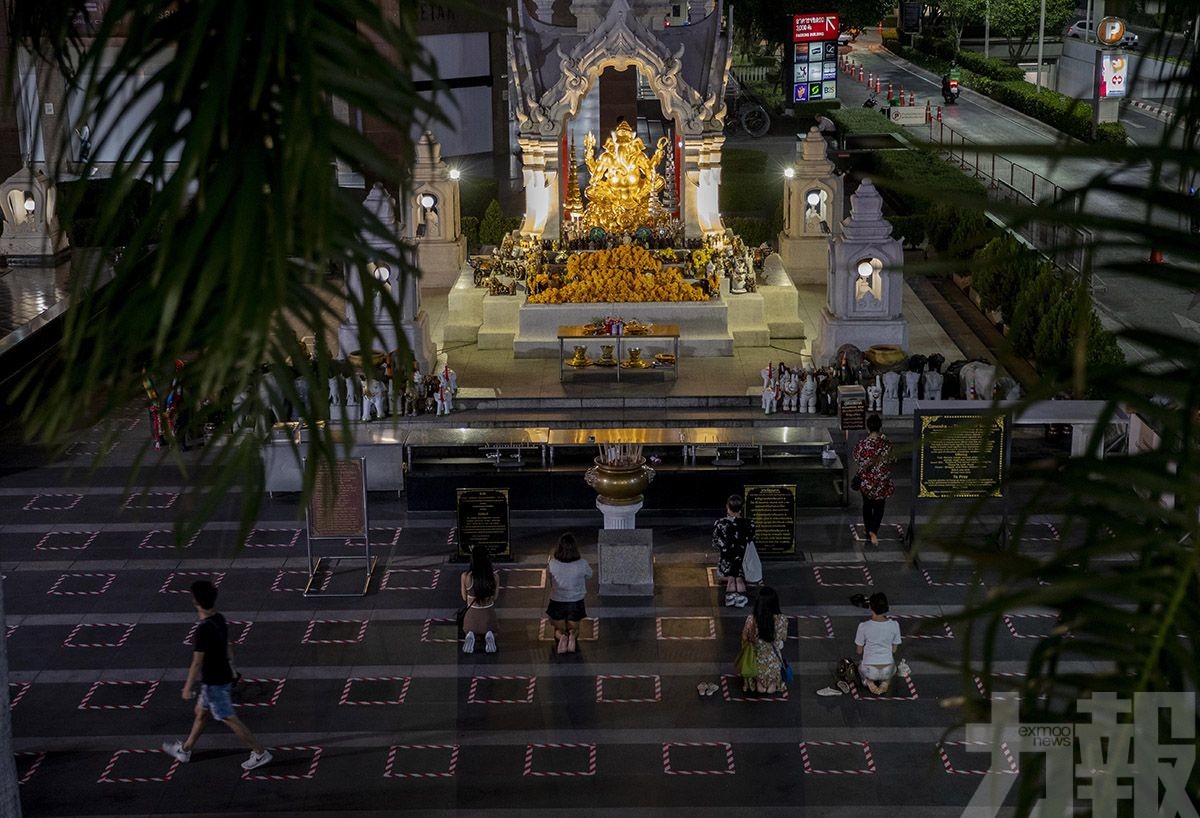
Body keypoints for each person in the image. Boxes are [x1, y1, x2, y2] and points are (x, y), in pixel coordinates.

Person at [162, 580, 272, 770]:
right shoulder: (219, 619)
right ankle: (185, 750)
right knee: (201, 713)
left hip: (214, 683)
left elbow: (197, 662)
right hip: (221, 677)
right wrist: (233, 669)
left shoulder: (202, 630)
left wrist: (187, 687)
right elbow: (228, 646)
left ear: (196, 601)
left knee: (229, 718)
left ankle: (260, 752)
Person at [546, 532, 592, 654]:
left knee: (558, 628)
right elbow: (589, 575)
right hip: (576, 602)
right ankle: (572, 636)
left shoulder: (552, 564)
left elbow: (549, 579)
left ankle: (562, 637)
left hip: (557, 602)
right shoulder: (582, 564)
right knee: (574, 629)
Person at [853, 414, 895, 546]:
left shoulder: (862, 445)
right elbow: (893, 459)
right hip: (881, 482)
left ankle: (867, 529)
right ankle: (873, 530)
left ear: (867, 428)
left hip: (866, 482)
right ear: (880, 427)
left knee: (867, 505)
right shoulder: (886, 444)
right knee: (879, 507)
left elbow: (856, 458)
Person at [740, 586, 788, 694]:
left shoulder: (751, 619)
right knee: (775, 659)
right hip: (774, 660)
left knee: (757, 669)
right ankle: (772, 682)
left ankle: (758, 682)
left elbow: (744, 637)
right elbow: (781, 641)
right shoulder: (782, 619)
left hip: (755, 660)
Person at [855, 592, 902, 695]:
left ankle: (869, 682)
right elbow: (894, 650)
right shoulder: (894, 625)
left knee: (859, 666)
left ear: (871, 607)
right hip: (888, 669)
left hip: (869, 670)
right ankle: (885, 683)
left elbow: (859, 651)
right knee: (893, 666)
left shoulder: (863, 626)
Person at [712, 494, 755, 608]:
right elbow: (751, 539)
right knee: (739, 579)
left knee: (731, 578)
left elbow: (715, 542)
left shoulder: (720, 524)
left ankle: (730, 598)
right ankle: (741, 598)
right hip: (742, 558)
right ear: (741, 508)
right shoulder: (749, 524)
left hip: (727, 559)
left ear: (727, 506)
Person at [460, 545, 499, 654]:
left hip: (471, 620)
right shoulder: (494, 577)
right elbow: (495, 598)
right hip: (489, 619)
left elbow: (464, 598)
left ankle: (470, 634)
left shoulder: (466, 576)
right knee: (492, 628)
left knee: (468, 627)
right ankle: (489, 634)